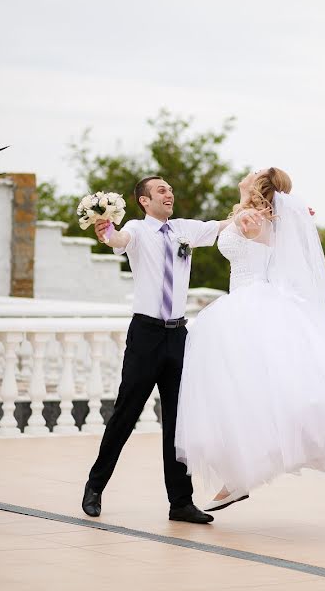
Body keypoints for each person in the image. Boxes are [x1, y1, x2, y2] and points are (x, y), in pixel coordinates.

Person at [175, 168, 325, 511]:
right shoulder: (249, 214)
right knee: (255, 395)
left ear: (258, 187)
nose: (247, 173)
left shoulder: (250, 217)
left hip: (249, 300)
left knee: (264, 391)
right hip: (247, 300)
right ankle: (241, 473)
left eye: (253, 173)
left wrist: (260, 226)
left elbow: (258, 242)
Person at [81, 175, 231, 524]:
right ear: (144, 201)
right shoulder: (137, 229)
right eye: (162, 189)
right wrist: (105, 229)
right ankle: (95, 486)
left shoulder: (185, 230)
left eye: (171, 189)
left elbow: (224, 224)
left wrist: (269, 210)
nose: (170, 193)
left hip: (178, 336)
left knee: (179, 422)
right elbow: (116, 239)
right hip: (146, 334)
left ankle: (180, 502)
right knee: (126, 413)